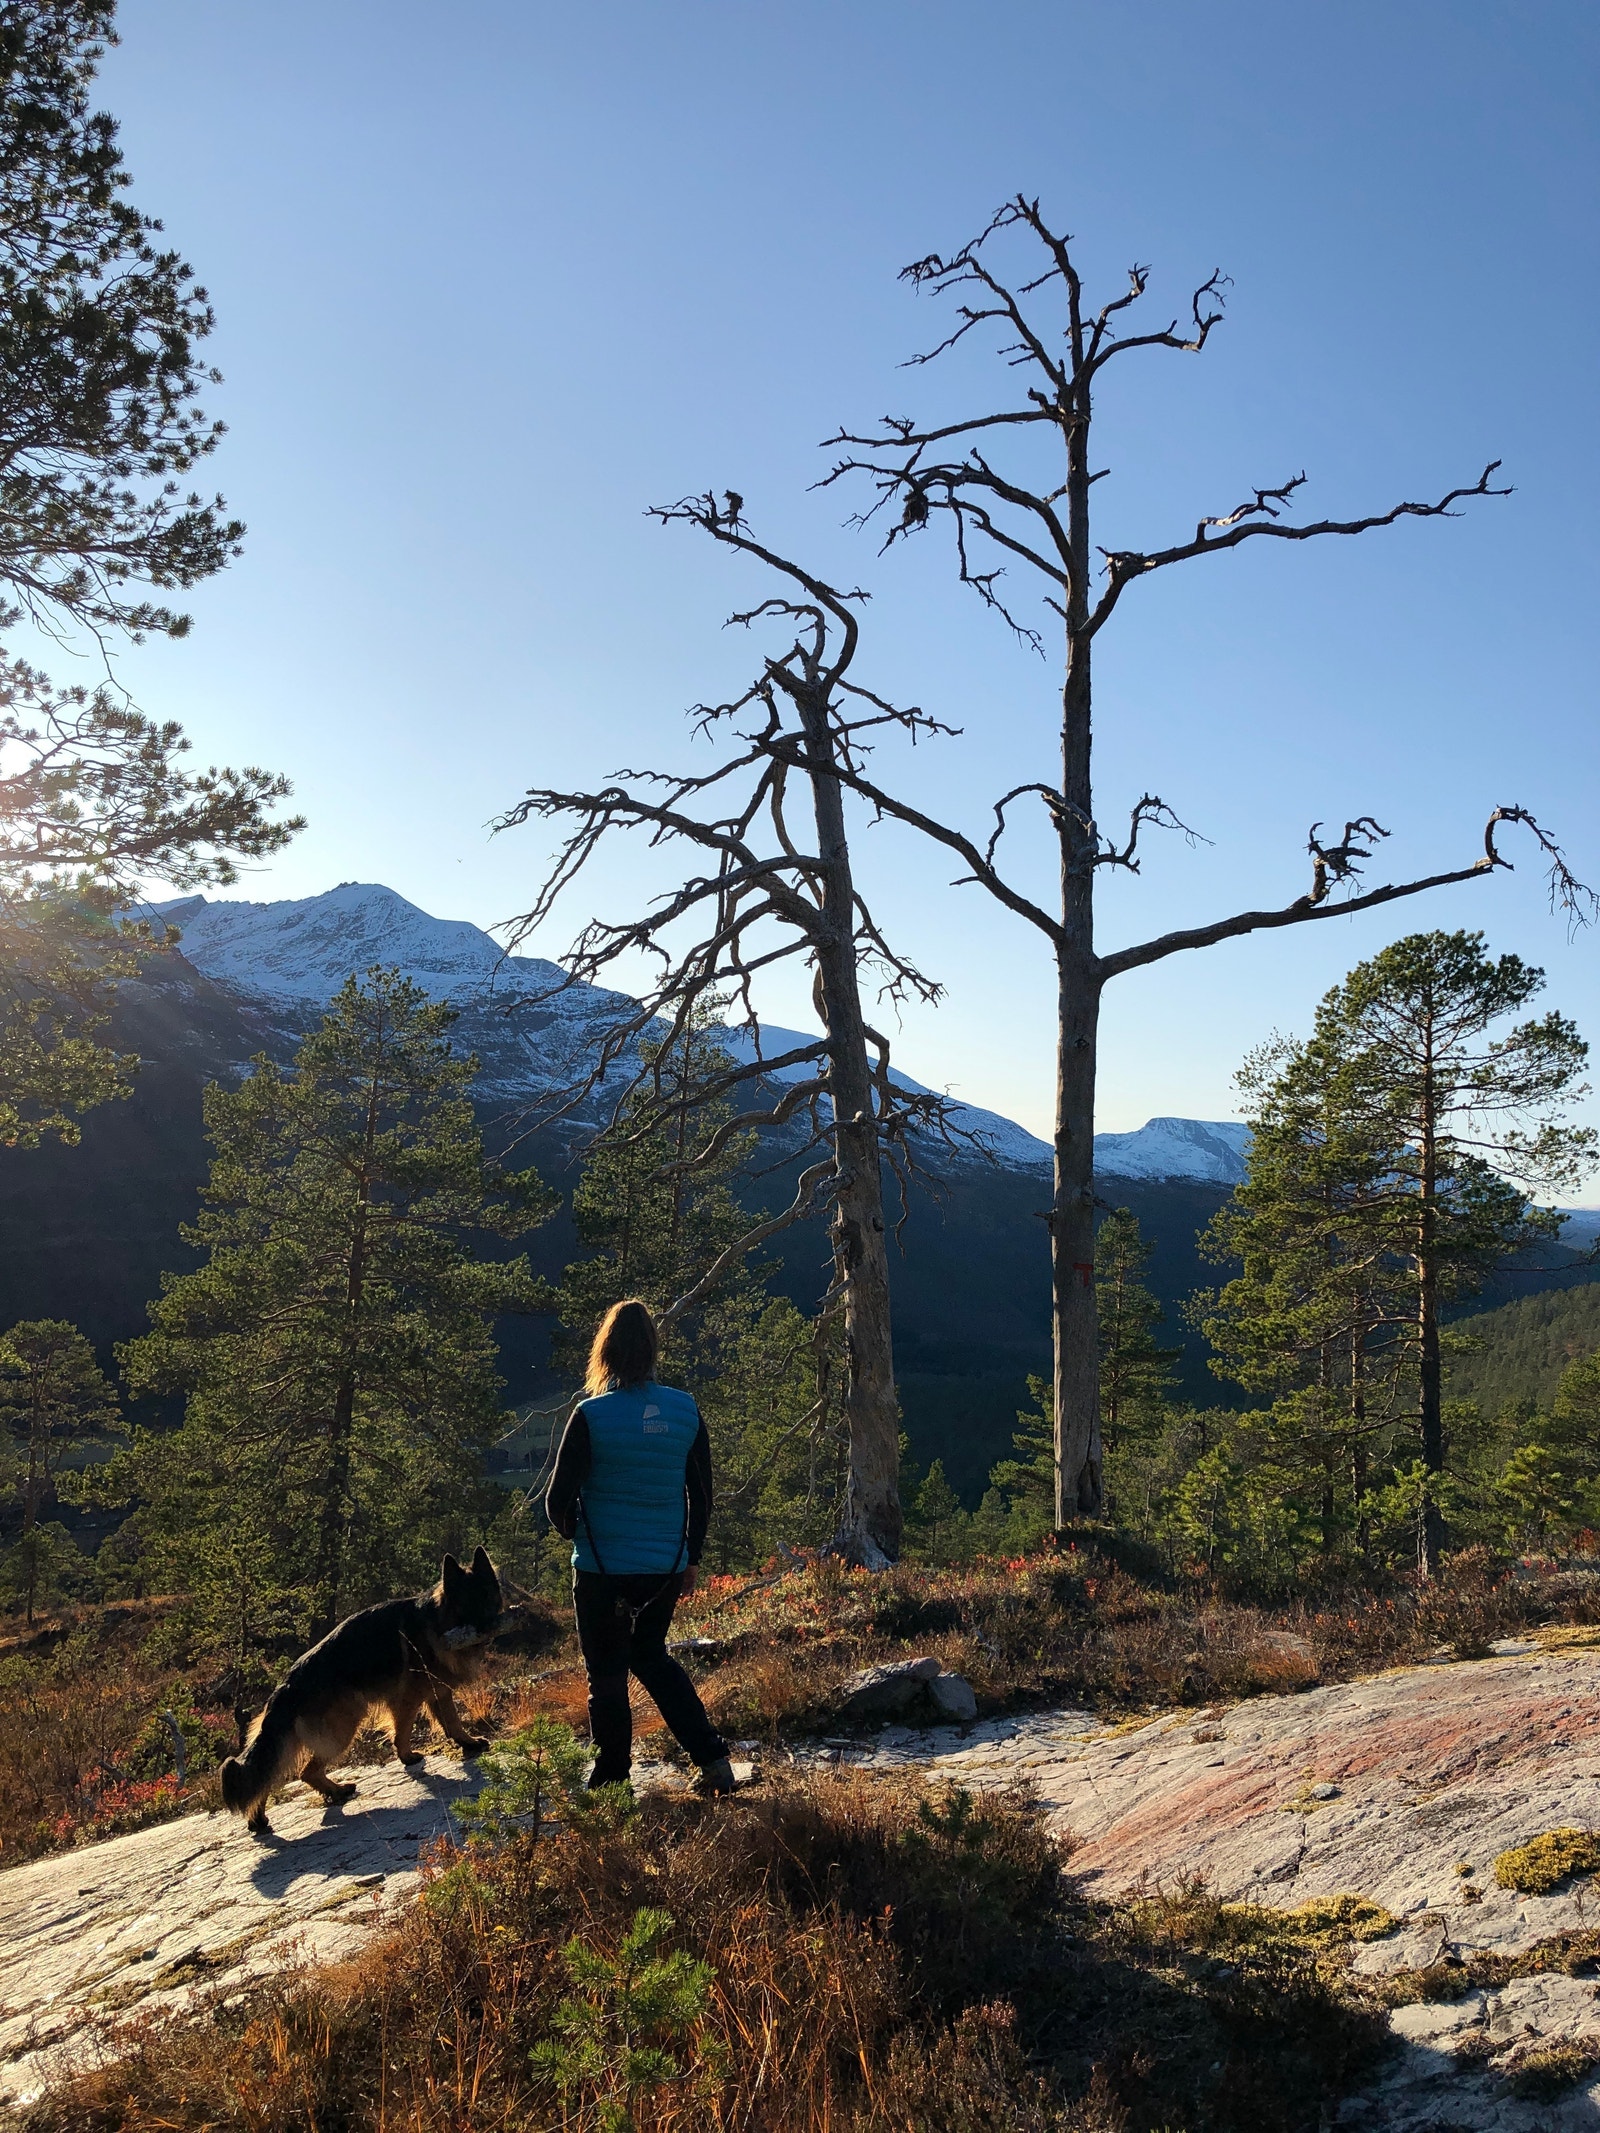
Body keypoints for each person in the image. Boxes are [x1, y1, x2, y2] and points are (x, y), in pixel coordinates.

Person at [545, 1298, 735, 1795]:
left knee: (606, 1674)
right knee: (651, 1657)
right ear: (652, 1350)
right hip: (664, 1569)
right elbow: (702, 1493)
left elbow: (557, 1502)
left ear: (603, 1351)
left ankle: (612, 1786)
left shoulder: (591, 1415)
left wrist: (578, 1530)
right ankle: (714, 1761)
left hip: (601, 1571)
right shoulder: (685, 1410)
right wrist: (690, 1558)